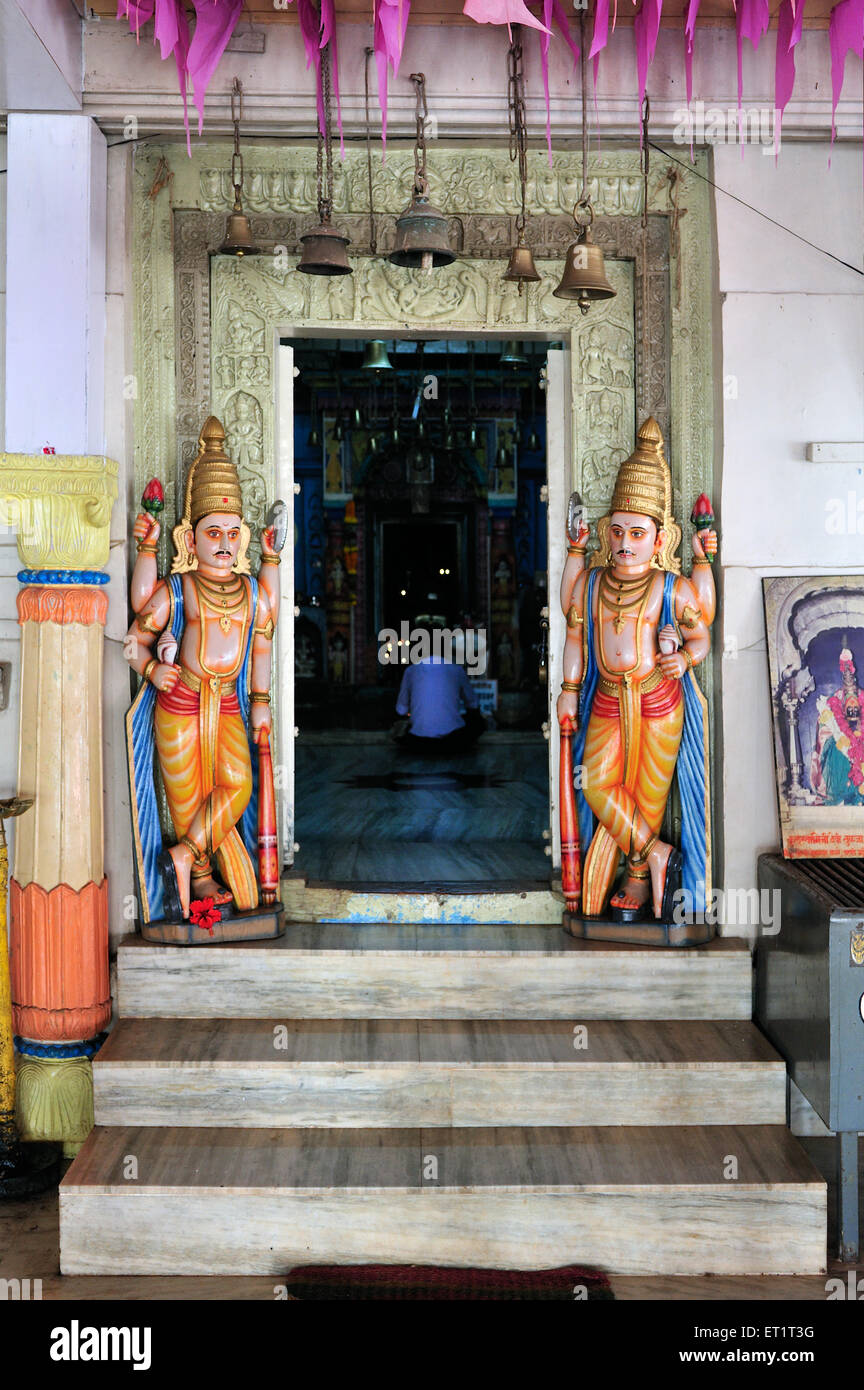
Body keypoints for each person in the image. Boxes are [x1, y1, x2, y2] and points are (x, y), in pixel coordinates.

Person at [556, 417, 718, 923]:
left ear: (659, 538)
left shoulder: (671, 587)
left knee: (648, 798)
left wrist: (685, 657)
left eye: (639, 534)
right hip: (605, 696)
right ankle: (657, 852)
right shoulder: (592, 583)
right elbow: (574, 632)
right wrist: (567, 689)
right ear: (609, 532)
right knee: (598, 785)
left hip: (658, 699)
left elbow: (703, 632)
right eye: (620, 532)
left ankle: (640, 881)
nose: (627, 543)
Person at [124, 417, 280, 922]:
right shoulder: (179, 588)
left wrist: (261, 703)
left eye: (233, 534)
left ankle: (184, 854)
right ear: (190, 537)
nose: (224, 543)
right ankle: (198, 880)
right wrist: (151, 671)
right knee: (190, 804)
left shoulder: (252, 591)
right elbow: (133, 640)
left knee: (237, 785)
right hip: (181, 702)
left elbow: (262, 646)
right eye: (213, 532)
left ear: (245, 537)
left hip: (228, 703)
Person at [395, 626, 485, 754]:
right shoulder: (456, 670)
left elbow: (401, 710)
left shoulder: (411, 671)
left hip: (418, 742)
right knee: (479, 723)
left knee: (401, 727)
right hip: (452, 741)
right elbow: (473, 704)